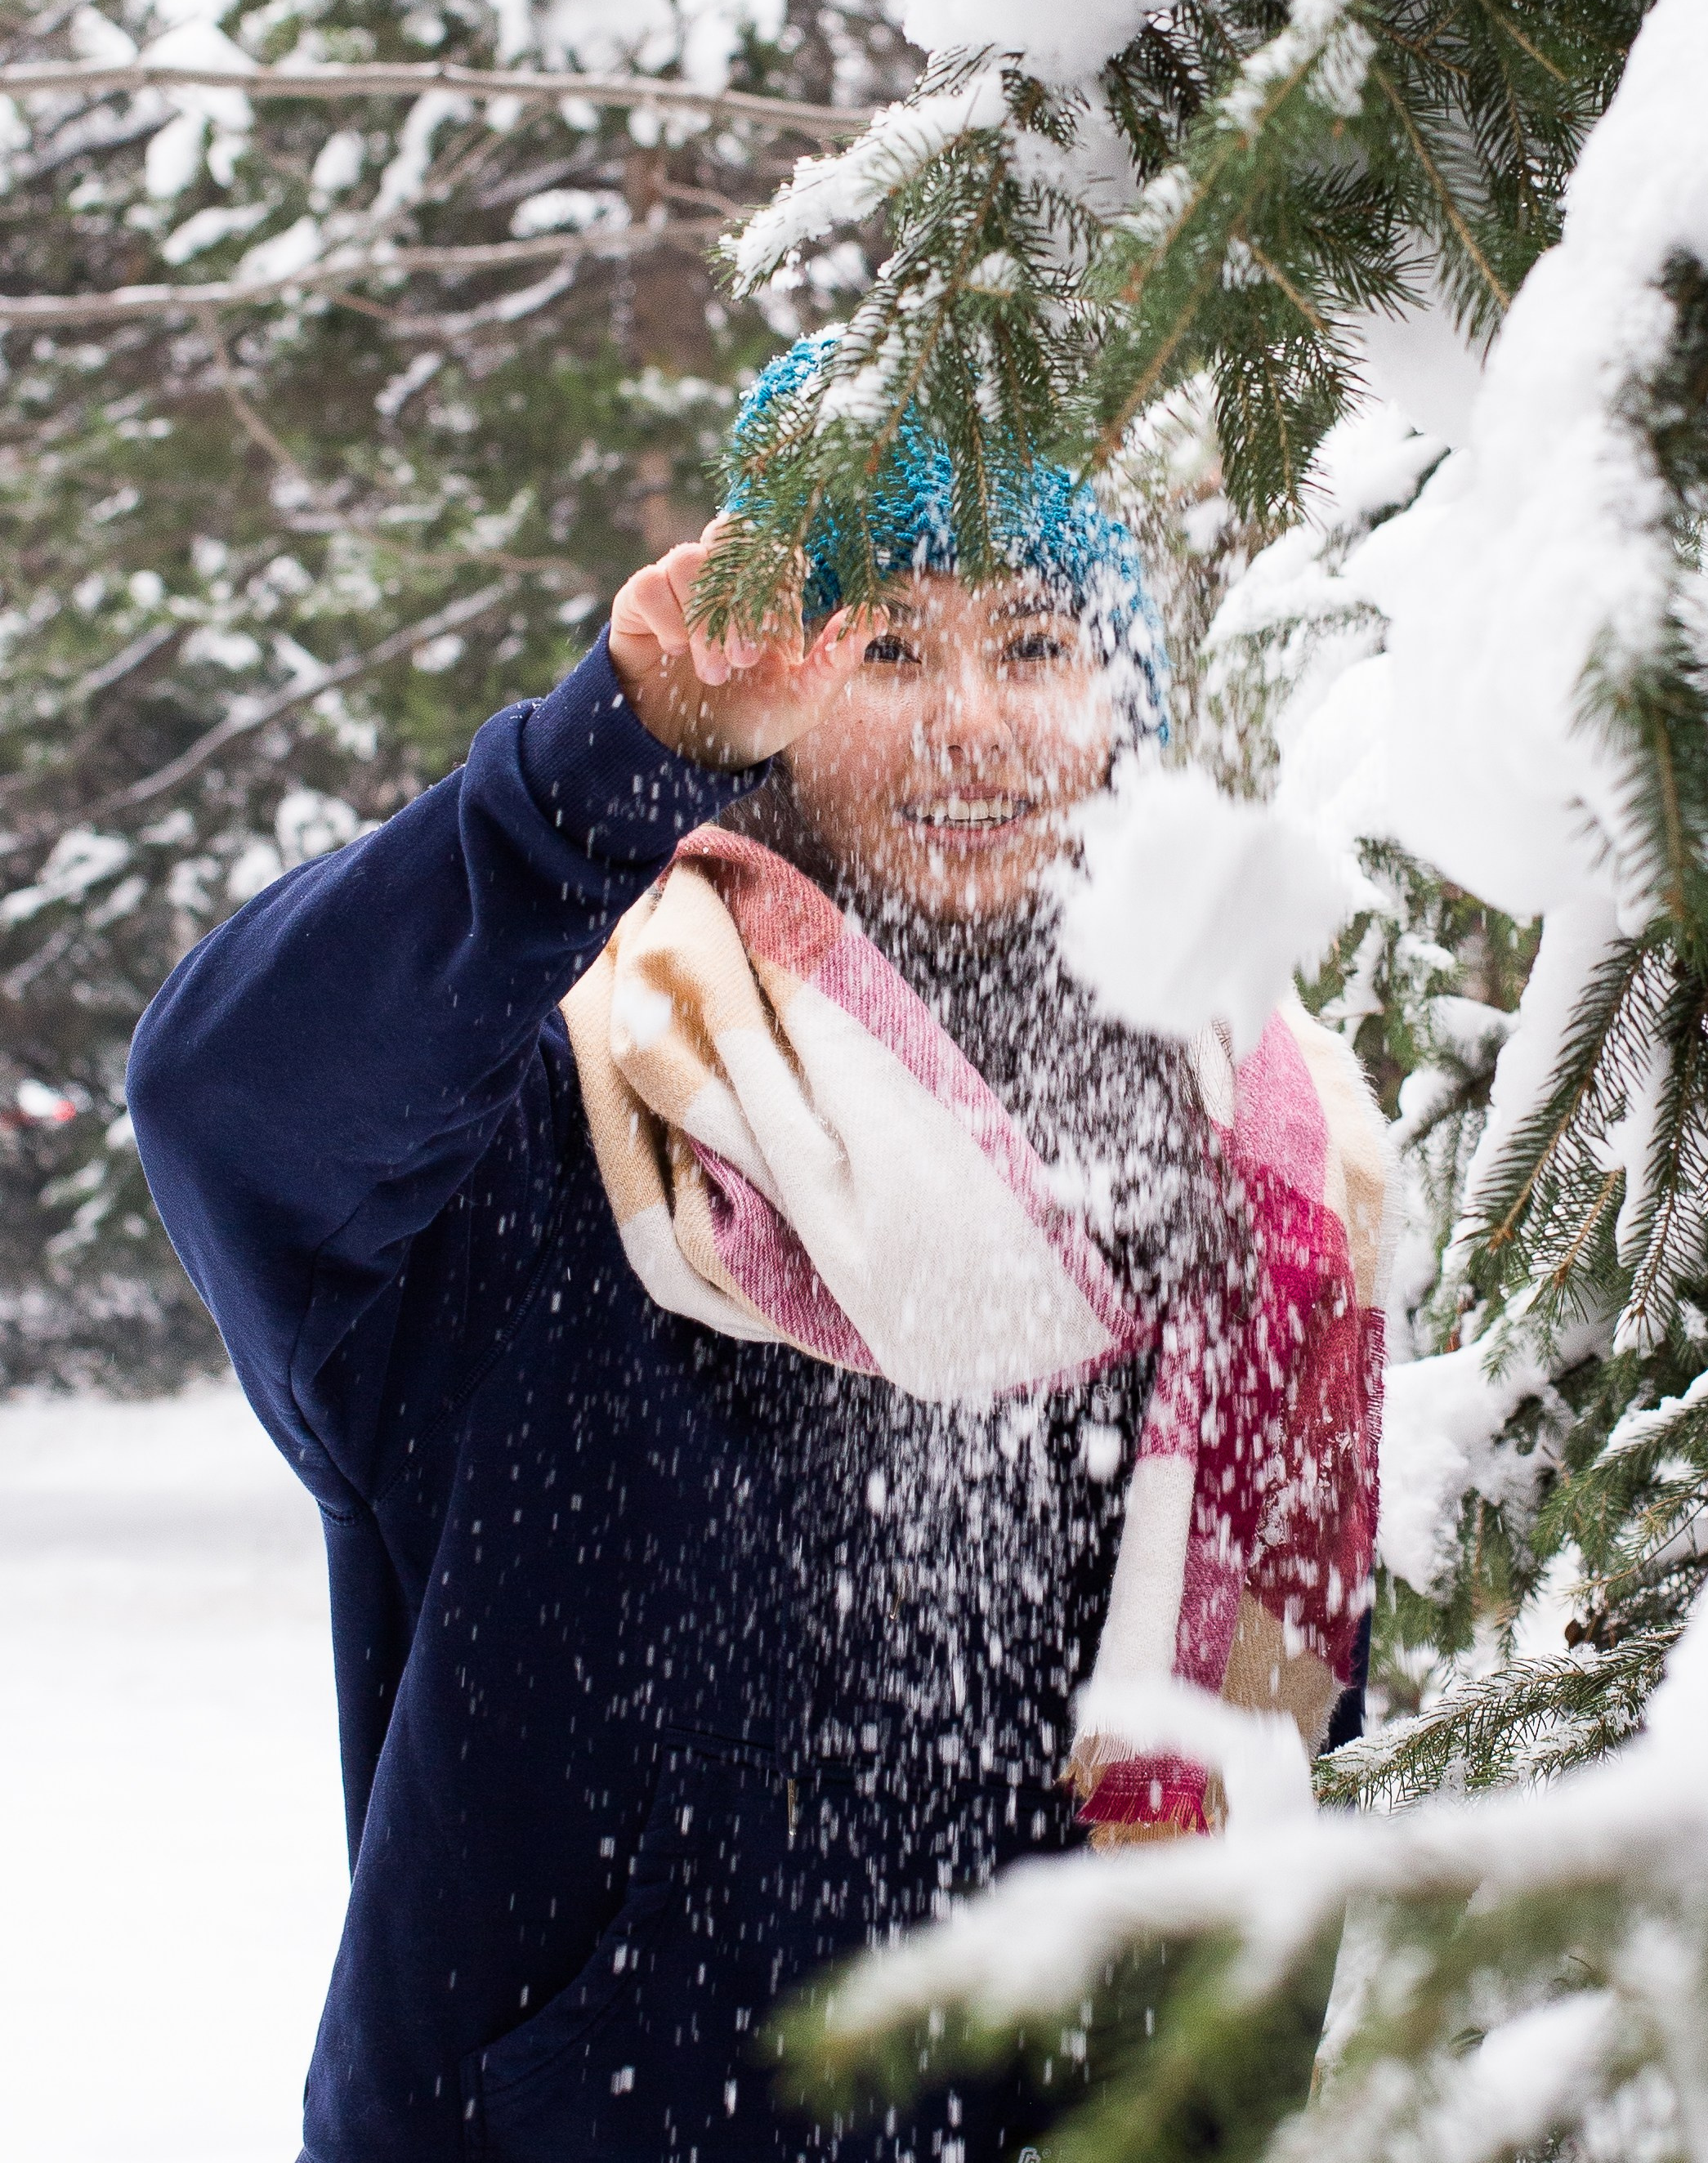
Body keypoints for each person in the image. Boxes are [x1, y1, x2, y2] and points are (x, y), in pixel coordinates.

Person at [127, 333, 1387, 2163]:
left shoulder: (1258, 1162)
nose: (974, 718)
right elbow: (227, 1097)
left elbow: (1298, 1752)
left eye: (1034, 643)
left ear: (1124, 696)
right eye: (888, 647)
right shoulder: (555, 1117)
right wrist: (582, 777)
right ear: (770, 681)